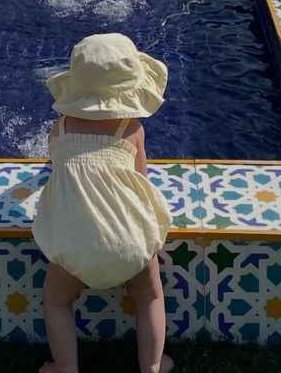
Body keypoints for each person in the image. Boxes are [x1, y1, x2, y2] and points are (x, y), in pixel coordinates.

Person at [33, 33, 172, 373]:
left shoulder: (61, 127)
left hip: (74, 248)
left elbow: (57, 167)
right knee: (149, 297)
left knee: (56, 300)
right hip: (130, 245)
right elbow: (140, 180)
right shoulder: (131, 128)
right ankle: (152, 365)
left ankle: (65, 367)